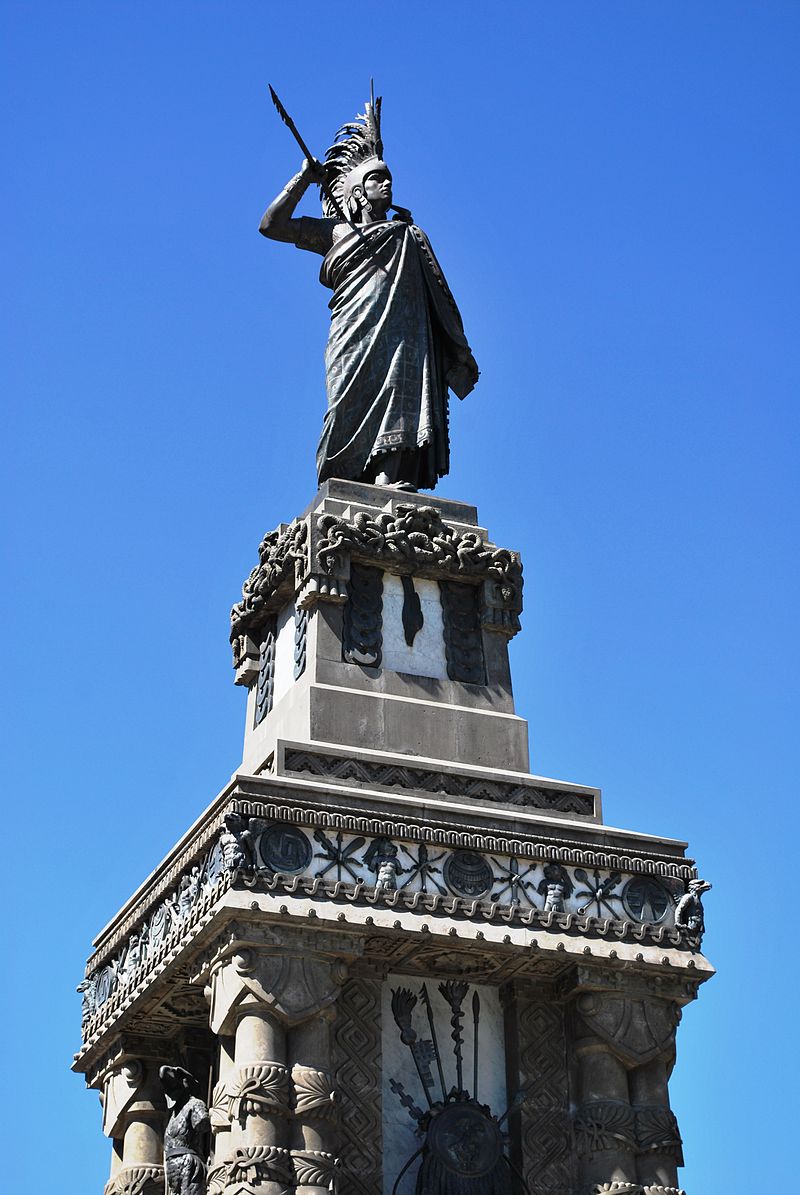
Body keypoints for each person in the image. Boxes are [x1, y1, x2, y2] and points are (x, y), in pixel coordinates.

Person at [259, 91, 478, 491]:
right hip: (354, 329)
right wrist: (303, 179)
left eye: (390, 177)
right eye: (378, 178)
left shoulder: (406, 235)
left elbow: (438, 292)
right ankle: (345, 475)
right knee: (345, 400)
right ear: (359, 190)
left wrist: (455, 346)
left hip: (404, 331)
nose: (388, 184)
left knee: (401, 387)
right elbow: (272, 225)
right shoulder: (335, 231)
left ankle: (388, 475)